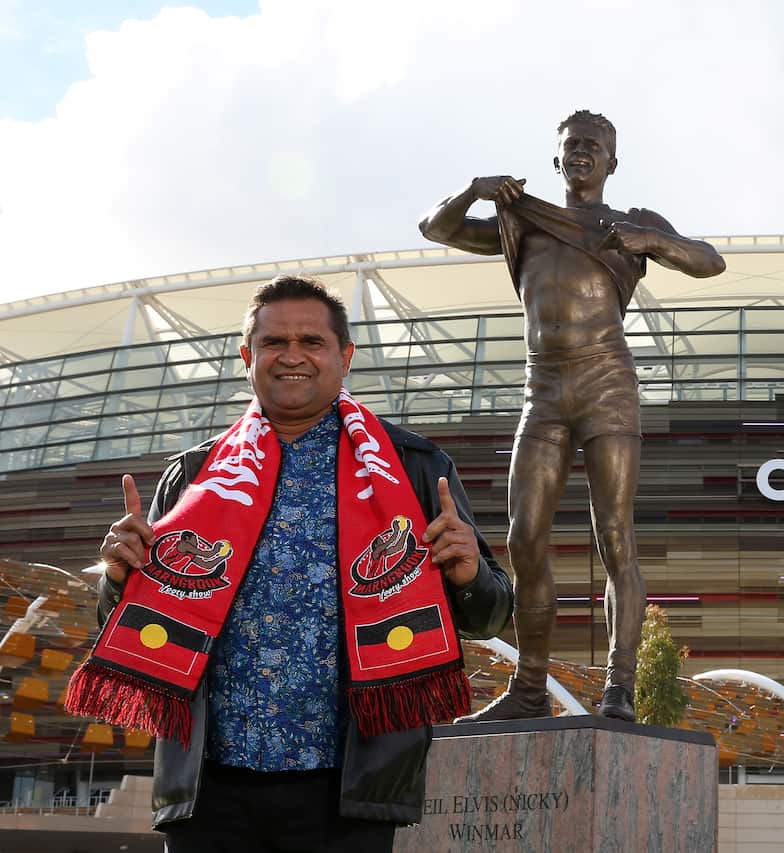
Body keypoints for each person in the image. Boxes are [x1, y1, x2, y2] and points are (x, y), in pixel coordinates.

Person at [92, 275, 513, 852]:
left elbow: (490, 617)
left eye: (312, 342)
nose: (292, 356)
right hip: (210, 791)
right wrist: (118, 578)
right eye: (274, 343)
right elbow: (127, 625)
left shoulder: (414, 469)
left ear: (344, 357)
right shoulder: (193, 476)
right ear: (248, 357)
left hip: (346, 790)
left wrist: (467, 574)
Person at [419, 110, 723, 722]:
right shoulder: (522, 217)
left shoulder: (631, 223)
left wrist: (652, 242)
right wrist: (475, 189)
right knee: (524, 537)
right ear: (557, 160)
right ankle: (530, 690)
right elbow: (436, 228)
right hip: (544, 385)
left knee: (614, 534)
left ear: (613, 161)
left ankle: (620, 686)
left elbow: (709, 261)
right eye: (572, 145)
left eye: (594, 145)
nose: (582, 152)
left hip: (606, 381)